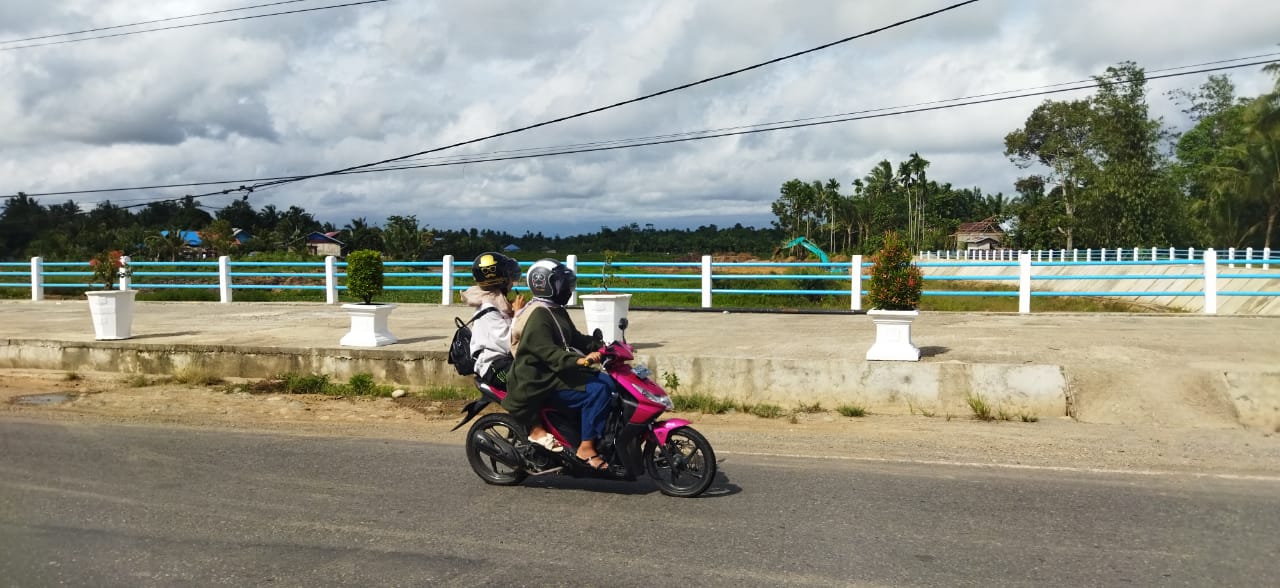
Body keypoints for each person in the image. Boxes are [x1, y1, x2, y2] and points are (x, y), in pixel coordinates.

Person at [503, 258, 613, 470]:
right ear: (544, 284)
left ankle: (595, 434)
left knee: (608, 383)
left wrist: (605, 346)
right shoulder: (538, 314)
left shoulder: (555, 309)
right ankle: (586, 448)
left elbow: (574, 338)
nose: (566, 289)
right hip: (538, 380)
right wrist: (579, 360)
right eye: (562, 283)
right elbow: (547, 352)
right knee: (597, 391)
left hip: (554, 372)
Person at [461, 252, 562, 453]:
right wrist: (517, 315)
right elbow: (509, 342)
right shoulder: (489, 309)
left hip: (507, 359)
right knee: (525, 379)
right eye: (509, 276)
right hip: (494, 365)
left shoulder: (499, 301)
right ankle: (535, 429)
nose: (512, 280)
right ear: (500, 279)